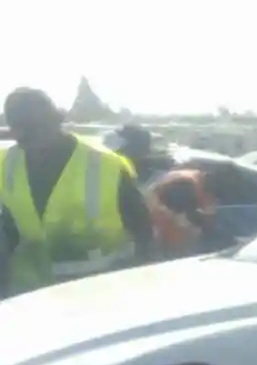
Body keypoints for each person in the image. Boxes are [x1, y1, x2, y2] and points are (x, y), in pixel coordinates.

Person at [1, 87, 152, 296]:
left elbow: (144, 232)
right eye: (21, 132)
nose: (30, 140)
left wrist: (142, 287)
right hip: (29, 298)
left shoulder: (105, 164)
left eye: (37, 129)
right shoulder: (4, 163)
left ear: (57, 122)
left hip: (97, 293)